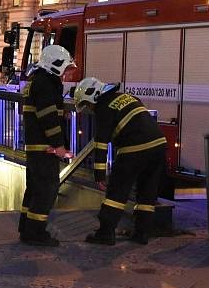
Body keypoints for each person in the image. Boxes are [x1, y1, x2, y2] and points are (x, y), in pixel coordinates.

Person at [74, 77, 167, 246]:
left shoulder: (104, 107)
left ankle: (105, 233)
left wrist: (99, 175)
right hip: (159, 145)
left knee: (116, 193)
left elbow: (101, 143)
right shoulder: (127, 97)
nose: (90, 109)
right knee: (147, 192)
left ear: (93, 96)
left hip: (135, 148)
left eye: (88, 104)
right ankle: (141, 233)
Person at [18, 45, 74, 246]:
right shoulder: (46, 83)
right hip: (44, 147)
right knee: (47, 189)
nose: (66, 74)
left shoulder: (37, 80)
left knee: (34, 188)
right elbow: (48, 117)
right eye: (65, 68)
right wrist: (59, 146)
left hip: (36, 146)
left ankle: (26, 228)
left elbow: (45, 111)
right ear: (55, 65)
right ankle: (36, 233)